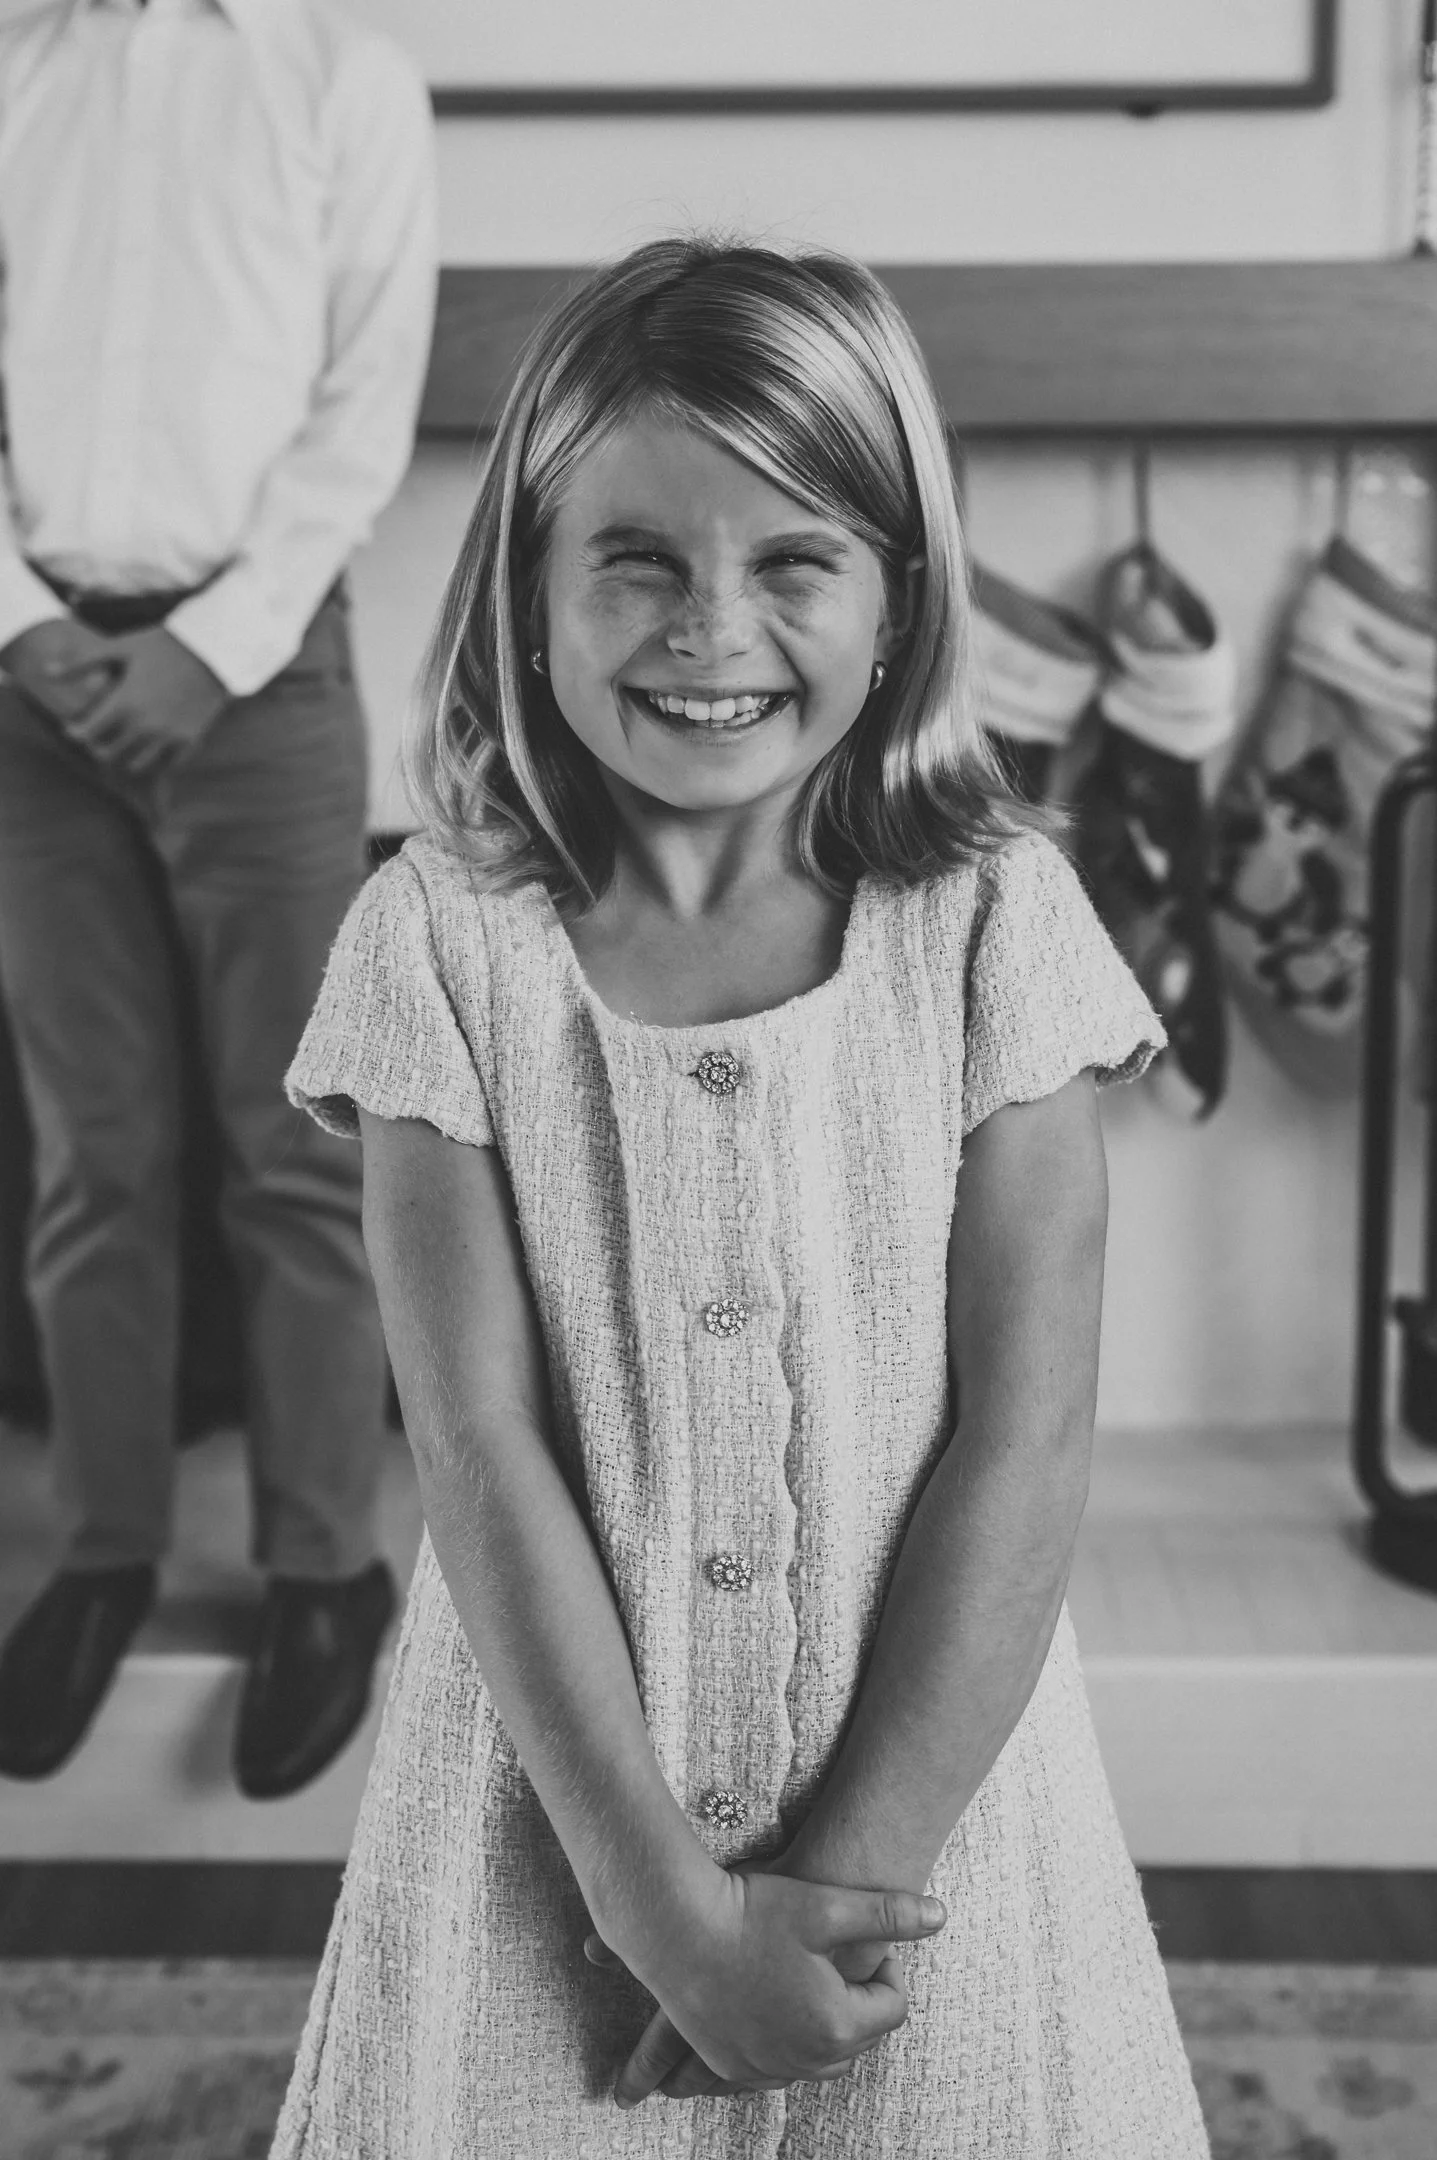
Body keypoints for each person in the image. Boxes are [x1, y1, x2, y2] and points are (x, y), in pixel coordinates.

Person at [273, 241, 1211, 2154]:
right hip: (546, 1829)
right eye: (636, 560)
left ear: (899, 600)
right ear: (525, 593)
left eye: (794, 563)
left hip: (939, 1833)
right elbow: (475, 1443)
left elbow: (1024, 1441)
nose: (711, 628)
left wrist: (840, 1880)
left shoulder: (997, 927)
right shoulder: (435, 947)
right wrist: (655, 1902)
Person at [0, 0, 437, 1800]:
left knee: (294, 1142)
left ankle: (323, 1564)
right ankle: (100, 1548)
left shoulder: (344, 77)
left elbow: (362, 410)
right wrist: (22, 628)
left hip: (258, 675)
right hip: (29, 685)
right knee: (91, 1144)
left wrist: (204, 650)